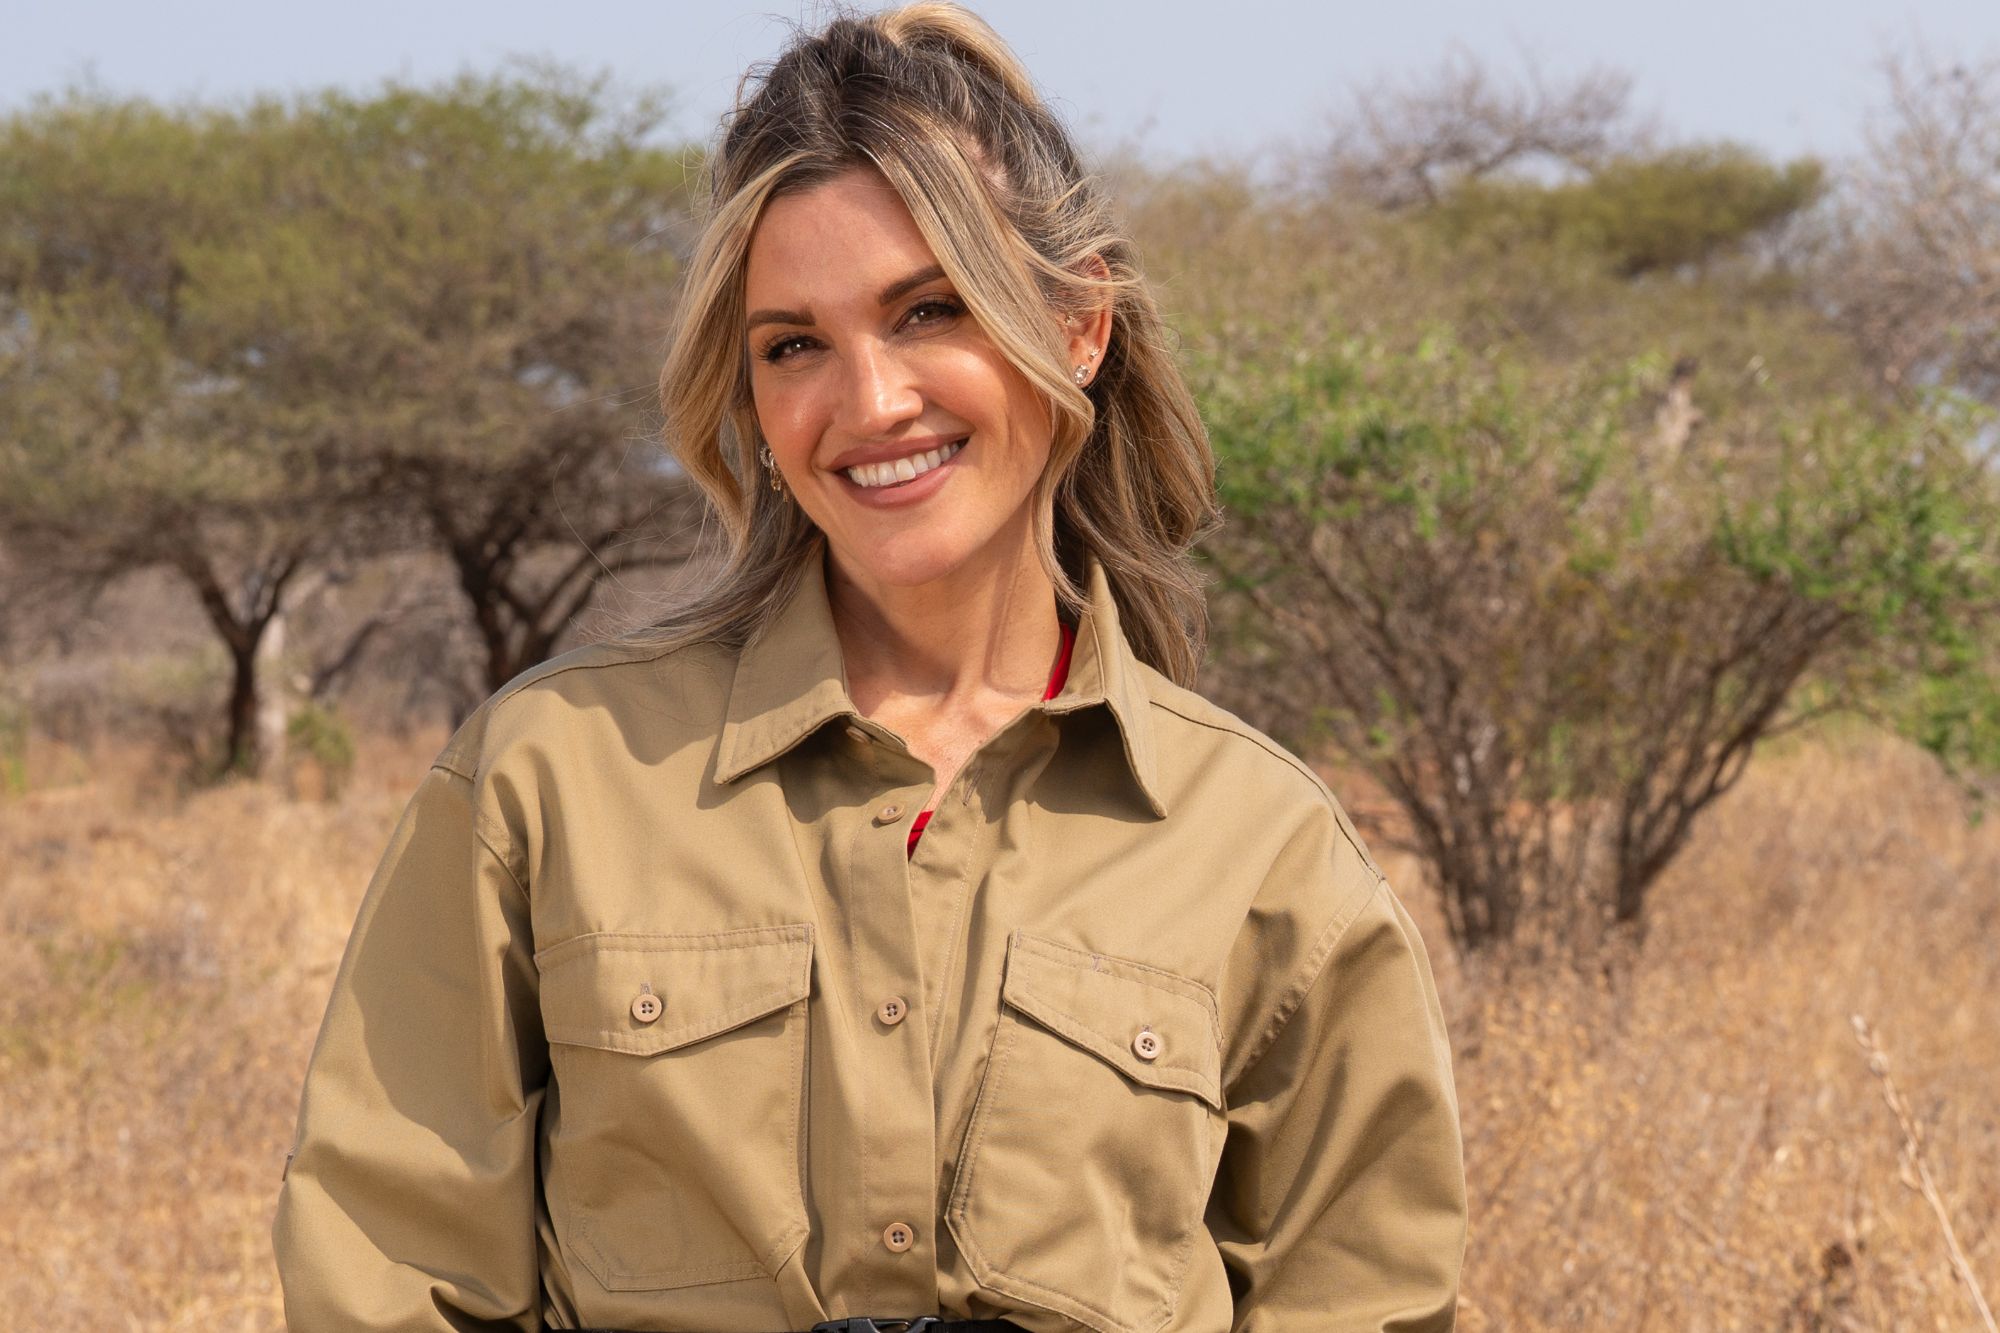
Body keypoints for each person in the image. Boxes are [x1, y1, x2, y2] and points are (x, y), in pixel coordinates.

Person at [271, 4, 1467, 1331]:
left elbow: (1370, 1297)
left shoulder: (1262, 846)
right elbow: (387, 1278)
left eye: (930, 310)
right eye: (794, 345)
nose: (872, 402)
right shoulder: (548, 781)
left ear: (1080, 325)